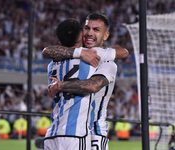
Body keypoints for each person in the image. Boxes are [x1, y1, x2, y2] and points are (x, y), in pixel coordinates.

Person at [43, 13, 128, 150]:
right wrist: (80, 52)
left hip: (94, 133)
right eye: (87, 28)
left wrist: (60, 85)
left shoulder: (105, 61)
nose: (89, 33)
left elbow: (123, 52)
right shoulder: (79, 54)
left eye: (96, 30)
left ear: (105, 36)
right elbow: (47, 51)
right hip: (77, 133)